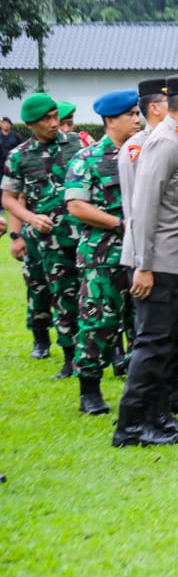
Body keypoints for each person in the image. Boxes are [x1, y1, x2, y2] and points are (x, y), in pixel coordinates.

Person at [114, 73, 178, 447]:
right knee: (152, 343)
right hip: (153, 262)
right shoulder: (162, 142)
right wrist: (142, 264)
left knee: (167, 342)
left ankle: (158, 416)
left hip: (171, 260)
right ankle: (130, 425)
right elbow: (143, 209)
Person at [64, 89, 142, 415]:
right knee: (99, 323)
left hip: (140, 256)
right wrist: (120, 224)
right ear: (111, 120)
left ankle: (142, 389)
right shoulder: (88, 159)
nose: (138, 119)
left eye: (138, 113)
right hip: (103, 256)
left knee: (142, 324)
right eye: (131, 115)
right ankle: (90, 391)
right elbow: (77, 205)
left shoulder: (143, 154)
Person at [2, 93, 82, 377]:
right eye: (46, 119)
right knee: (62, 298)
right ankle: (70, 357)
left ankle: (113, 354)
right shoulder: (19, 156)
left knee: (95, 296)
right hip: (51, 242)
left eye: (54, 116)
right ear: (31, 124)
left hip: (86, 236)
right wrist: (29, 220)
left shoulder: (77, 143)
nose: (53, 122)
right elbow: (9, 198)